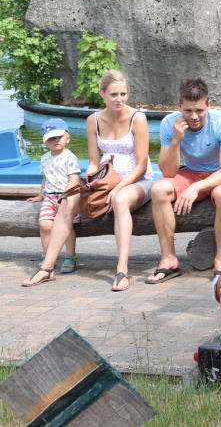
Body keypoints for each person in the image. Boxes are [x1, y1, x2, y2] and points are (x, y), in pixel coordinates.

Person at [146, 78, 221, 285]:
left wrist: (196, 187)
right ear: (179, 106)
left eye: (199, 110)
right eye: (188, 110)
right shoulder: (169, 123)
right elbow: (168, 171)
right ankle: (169, 258)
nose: (193, 117)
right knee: (158, 190)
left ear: (209, 105)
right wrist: (175, 140)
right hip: (191, 171)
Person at [85, 70, 155, 291]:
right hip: (108, 180)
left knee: (120, 200)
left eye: (123, 94)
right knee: (68, 199)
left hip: (138, 181)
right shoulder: (93, 120)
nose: (119, 99)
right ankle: (53, 263)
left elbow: (142, 165)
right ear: (102, 94)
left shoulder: (138, 118)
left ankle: (122, 269)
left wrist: (120, 187)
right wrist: (88, 180)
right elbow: (94, 163)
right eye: (114, 94)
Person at [25, 118, 81, 276]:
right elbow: (45, 178)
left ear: (67, 138)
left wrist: (64, 198)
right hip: (50, 196)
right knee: (44, 225)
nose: (56, 141)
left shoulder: (70, 158)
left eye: (59, 137)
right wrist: (40, 194)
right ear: (44, 142)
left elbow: (74, 180)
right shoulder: (44, 159)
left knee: (67, 227)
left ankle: (70, 256)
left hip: (67, 197)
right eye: (51, 138)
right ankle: (48, 255)